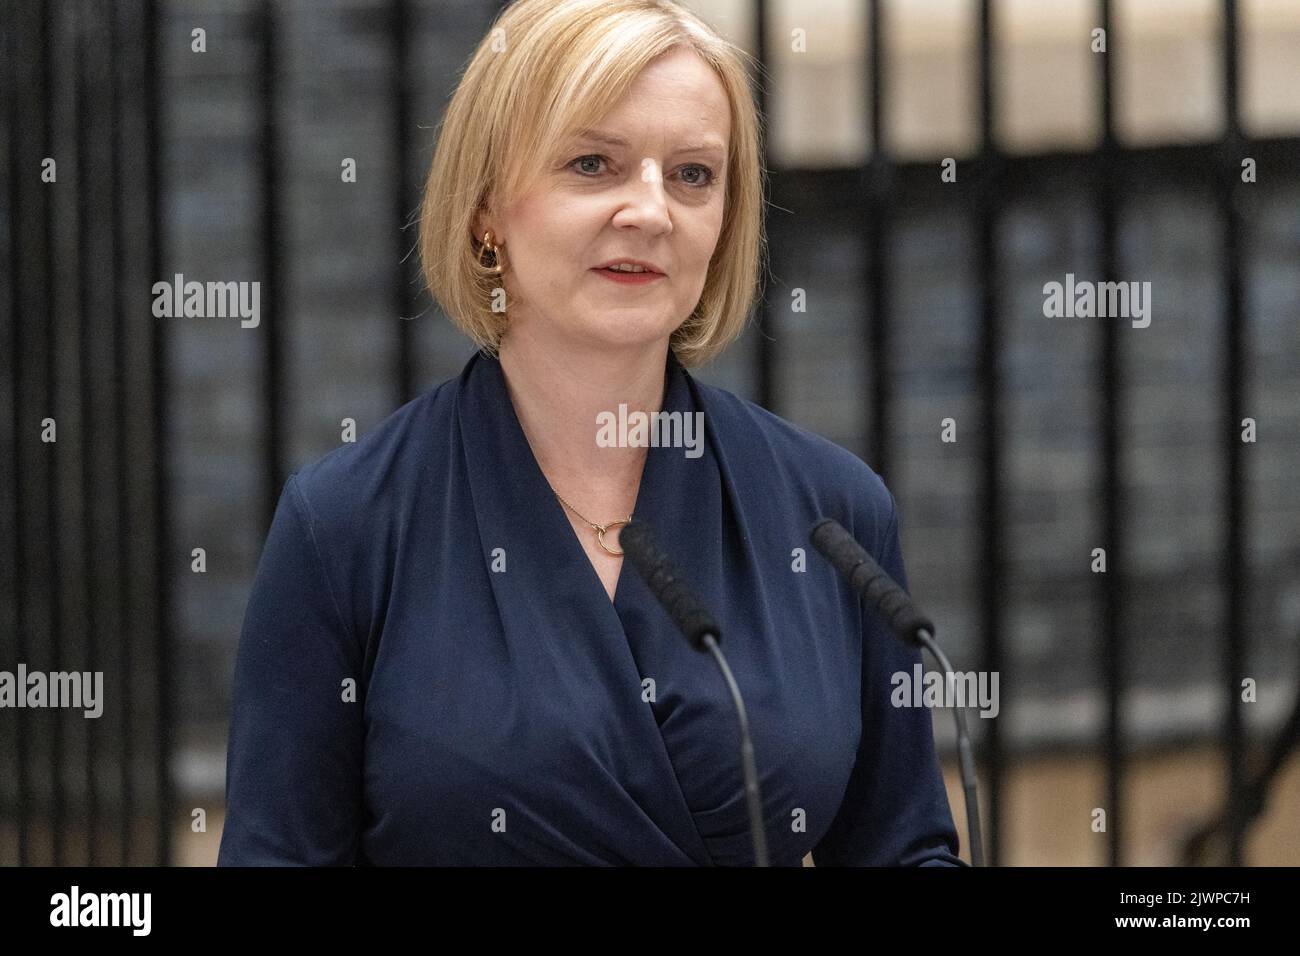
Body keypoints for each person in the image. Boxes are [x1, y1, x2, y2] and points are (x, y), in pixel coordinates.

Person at [217, 0, 963, 866]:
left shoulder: (832, 514)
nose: (650, 211)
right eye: (593, 163)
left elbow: (903, 849)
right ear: (488, 207)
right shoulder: (345, 525)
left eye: (692, 175)